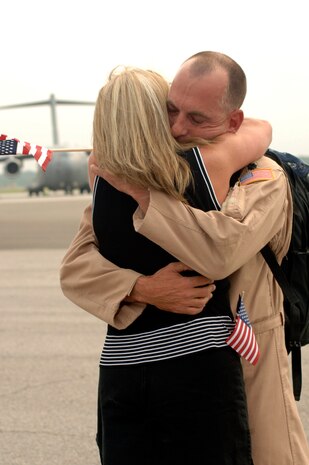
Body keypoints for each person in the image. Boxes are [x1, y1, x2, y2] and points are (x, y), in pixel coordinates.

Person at [60, 52, 309, 465]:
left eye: (196, 119)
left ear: (233, 123)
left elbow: (221, 250)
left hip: (249, 357)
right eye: (171, 110)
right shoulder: (135, 177)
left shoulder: (262, 175)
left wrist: (143, 197)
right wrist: (143, 289)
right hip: (161, 377)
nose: (178, 128)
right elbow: (77, 265)